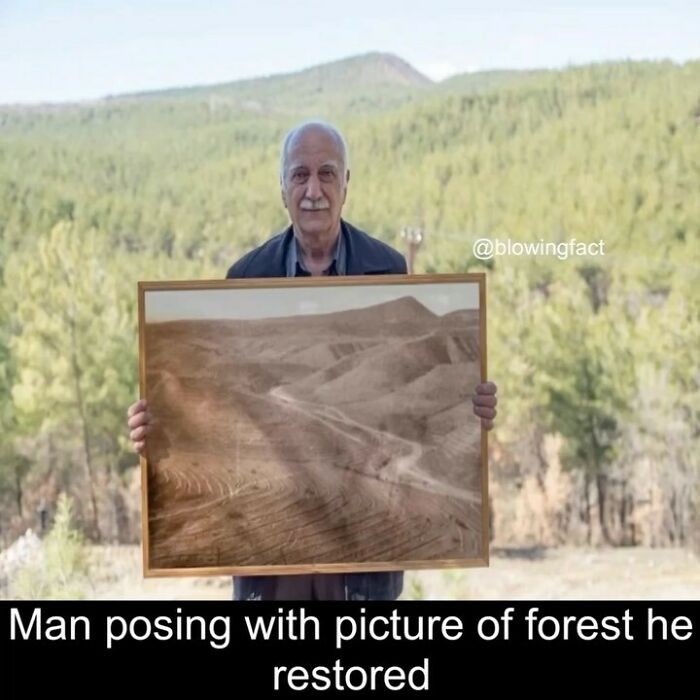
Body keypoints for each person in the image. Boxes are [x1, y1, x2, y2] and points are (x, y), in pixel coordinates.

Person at [127, 120, 499, 600]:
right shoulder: (245, 277)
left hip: (363, 573)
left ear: (347, 184)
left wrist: (471, 406)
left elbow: (417, 421)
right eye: (299, 175)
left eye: (327, 173)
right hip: (269, 575)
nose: (313, 190)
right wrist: (160, 427)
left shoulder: (388, 268)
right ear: (282, 187)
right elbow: (218, 406)